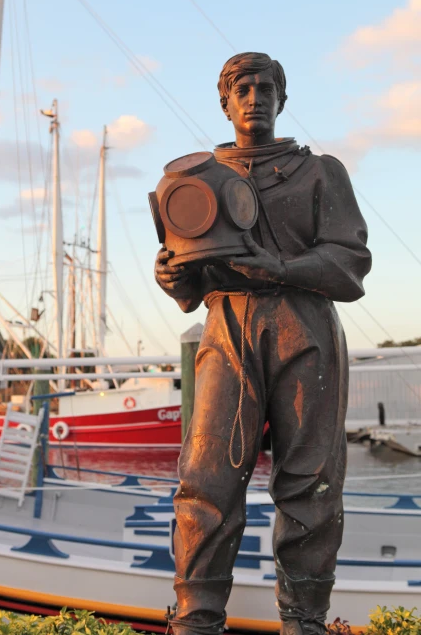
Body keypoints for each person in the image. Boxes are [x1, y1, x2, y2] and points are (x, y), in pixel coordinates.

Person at [154, 52, 372, 635]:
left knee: (312, 480)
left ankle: (304, 618)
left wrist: (277, 265)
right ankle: (197, 617)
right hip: (229, 329)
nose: (255, 98)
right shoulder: (195, 182)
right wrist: (177, 279)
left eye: (266, 87)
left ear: (282, 96)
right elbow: (193, 277)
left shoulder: (320, 172)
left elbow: (350, 265)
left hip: (306, 331)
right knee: (207, 477)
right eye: (243, 89)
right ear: (224, 102)